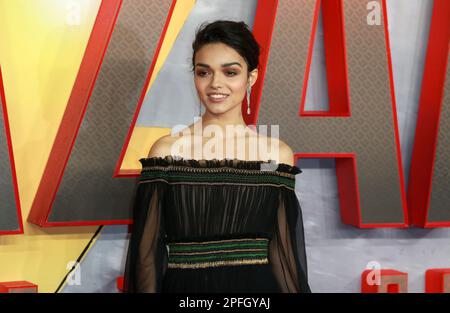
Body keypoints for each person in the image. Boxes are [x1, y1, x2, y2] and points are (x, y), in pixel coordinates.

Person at [123, 20, 311, 293]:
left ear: (251, 78)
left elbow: (284, 254)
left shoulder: (276, 154)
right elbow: (146, 254)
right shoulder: (167, 151)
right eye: (203, 72)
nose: (215, 84)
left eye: (230, 72)